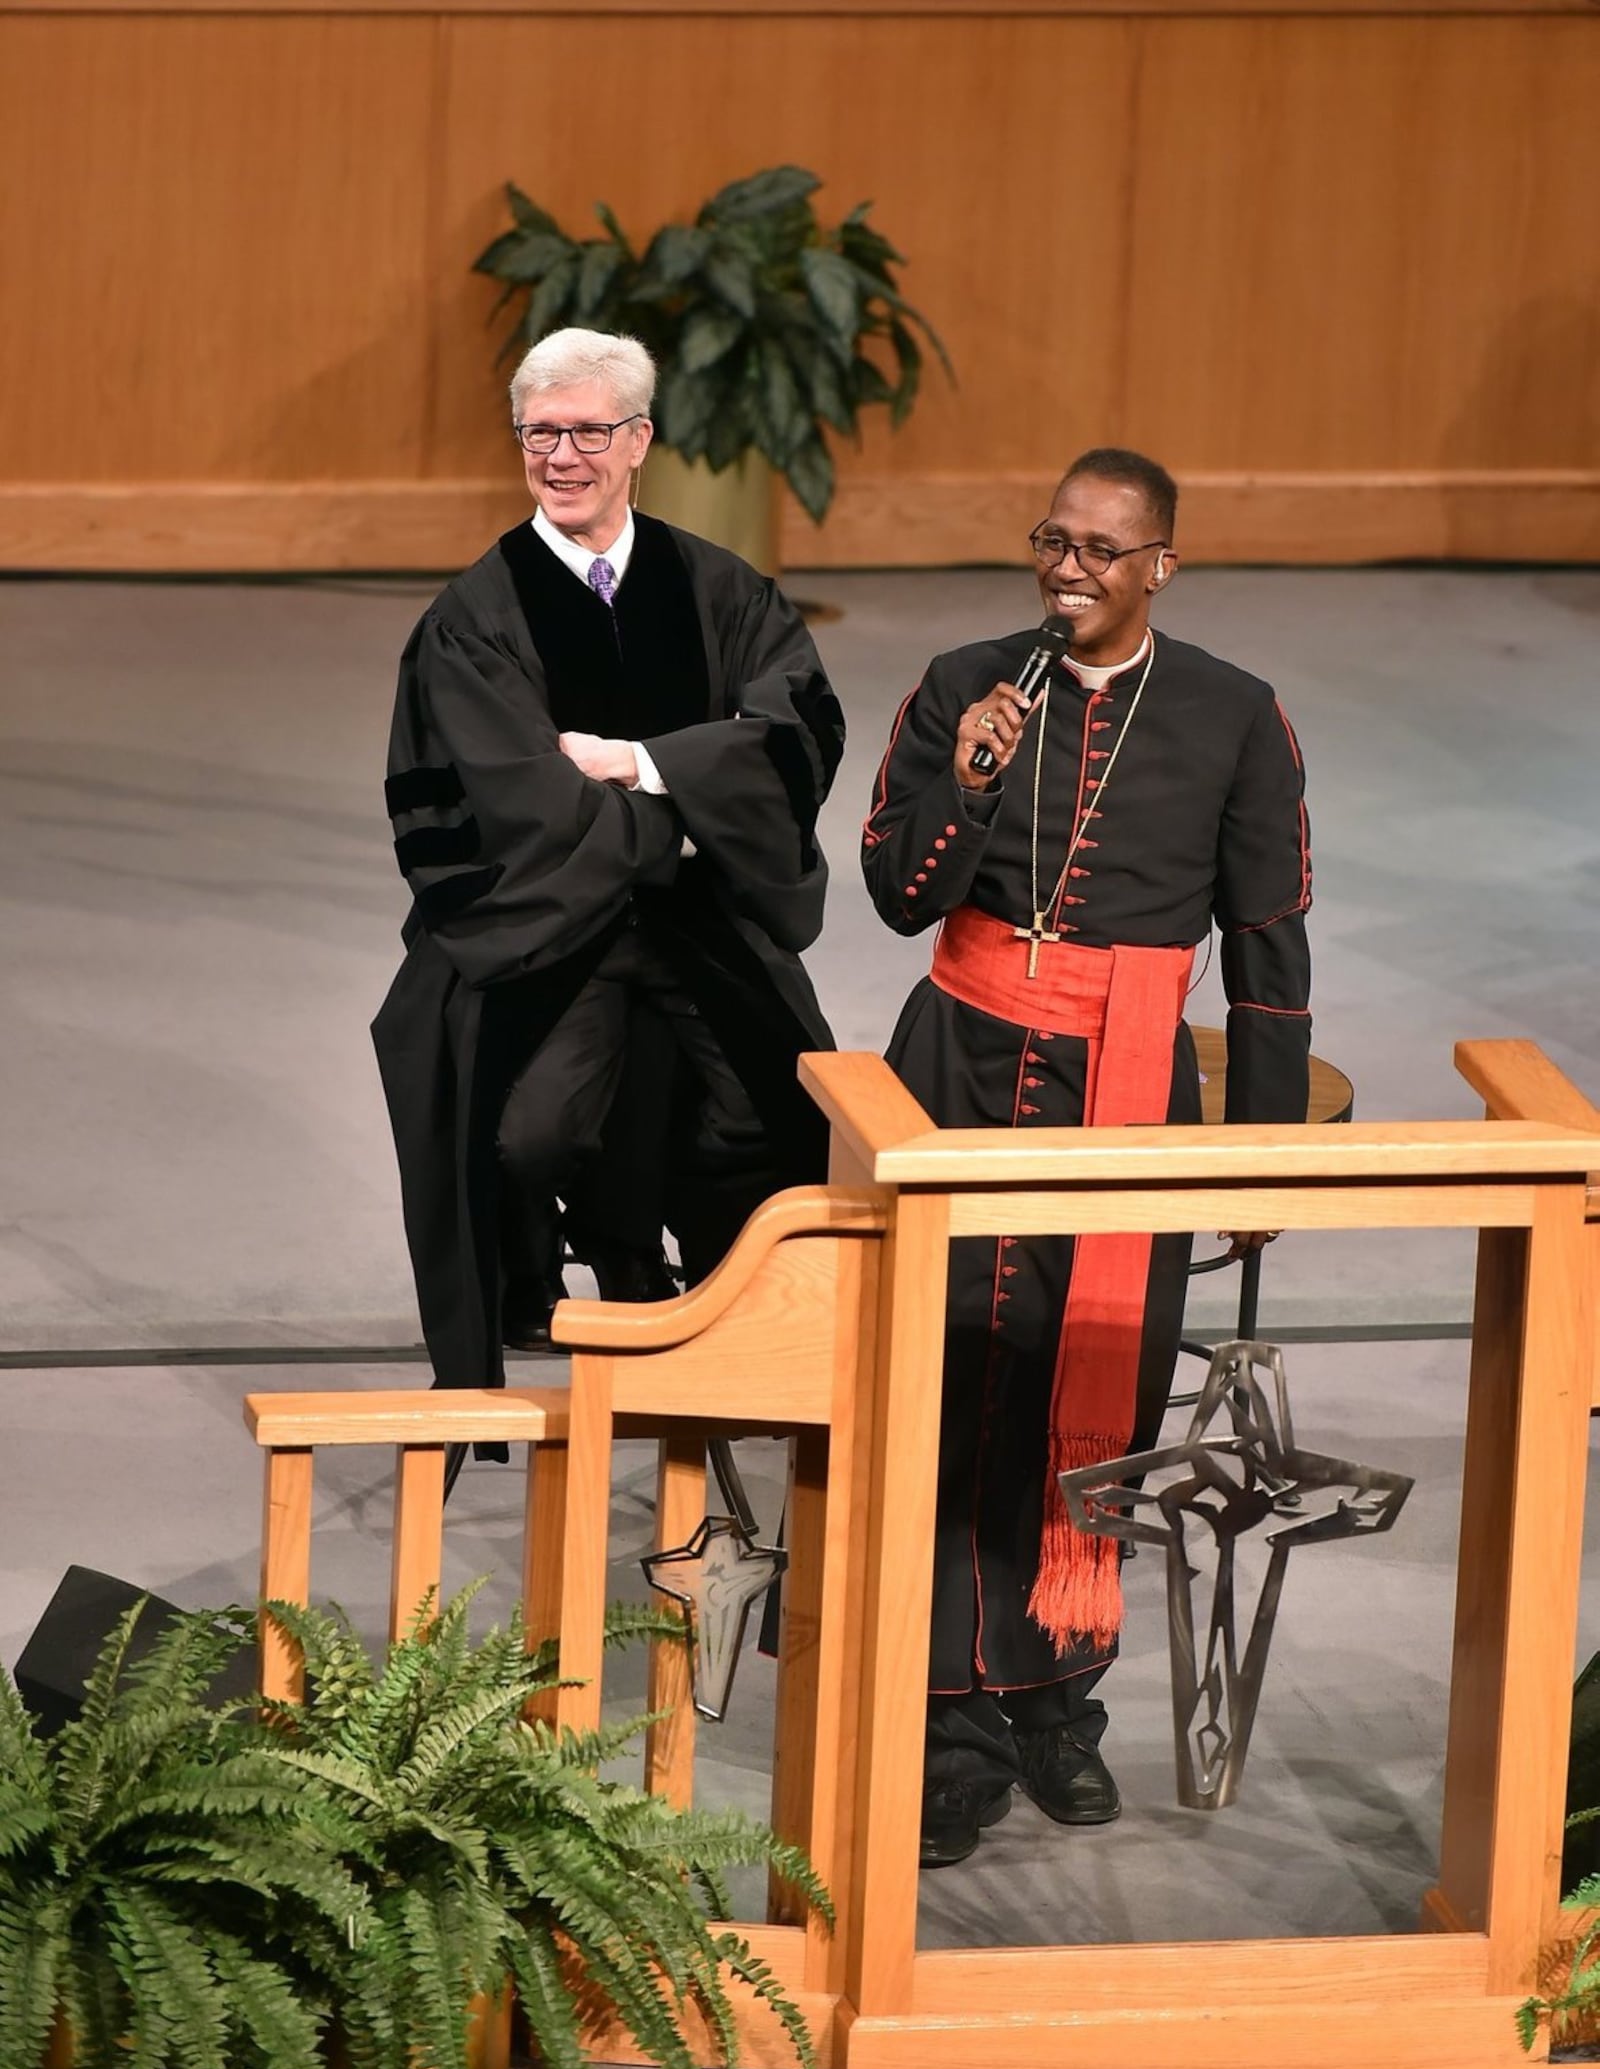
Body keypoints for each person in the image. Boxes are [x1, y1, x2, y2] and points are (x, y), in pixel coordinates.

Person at [861, 447, 1312, 1866]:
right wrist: (971, 782)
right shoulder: (962, 684)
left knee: (1094, 1394)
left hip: (1130, 1086)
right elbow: (896, 891)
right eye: (1053, 538)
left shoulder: (1236, 715)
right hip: (957, 1060)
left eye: (1101, 549)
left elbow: (1268, 955)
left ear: (1158, 565)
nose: (1068, 567)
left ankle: (1057, 1704)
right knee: (946, 1377)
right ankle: (948, 1724)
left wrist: (1260, 1162)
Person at [374, 326, 845, 1393]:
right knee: (519, 1136)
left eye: (588, 430)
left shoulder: (721, 589)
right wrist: (682, 815)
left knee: (786, 1110)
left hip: (701, 914)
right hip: (544, 922)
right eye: (540, 432)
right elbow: (506, 797)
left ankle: (727, 1330)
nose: (562, 455)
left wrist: (639, 763)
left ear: (639, 440)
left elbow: (794, 724)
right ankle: (545, 1296)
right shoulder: (473, 620)